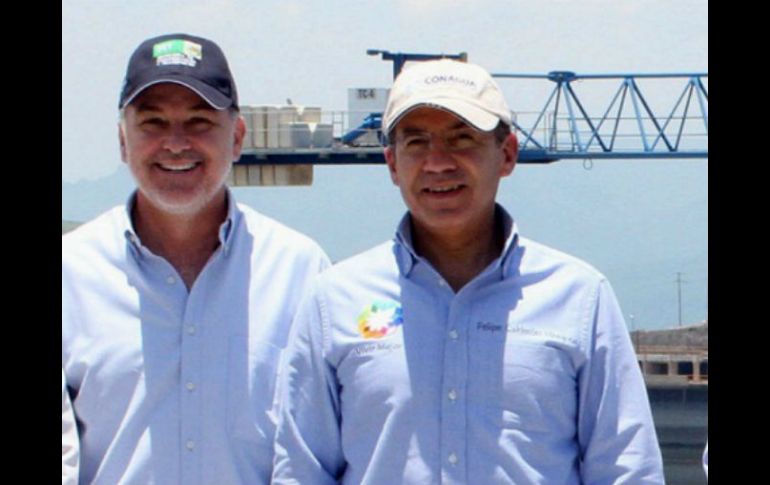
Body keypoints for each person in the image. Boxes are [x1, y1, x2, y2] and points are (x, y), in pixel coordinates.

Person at [272, 59, 664, 484]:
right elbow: (301, 469)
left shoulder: (579, 298)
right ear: (392, 164)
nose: (438, 162)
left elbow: (627, 468)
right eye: (416, 142)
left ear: (507, 154)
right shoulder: (334, 301)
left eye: (462, 139)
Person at [62, 33, 330, 484]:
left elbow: (324, 446)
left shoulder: (299, 270)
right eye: (153, 122)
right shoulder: (71, 272)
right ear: (123, 140)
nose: (176, 143)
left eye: (199, 121)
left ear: (237, 137)